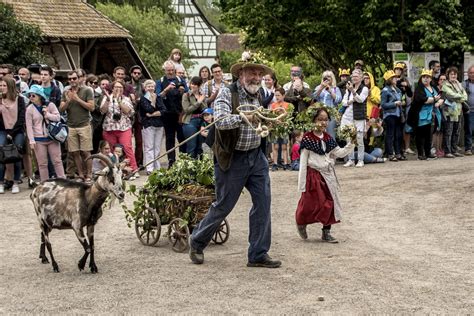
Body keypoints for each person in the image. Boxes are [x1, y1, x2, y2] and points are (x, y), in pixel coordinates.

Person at [189, 55, 281, 268]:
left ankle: (258, 253)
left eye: (259, 74)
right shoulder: (226, 93)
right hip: (233, 157)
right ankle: (197, 240)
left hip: (256, 157)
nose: (256, 77)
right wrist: (246, 117)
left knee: (263, 202)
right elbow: (221, 122)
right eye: (251, 73)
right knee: (224, 205)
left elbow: (262, 121)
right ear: (241, 74)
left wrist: (271, 122)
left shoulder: (259, 94)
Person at [295, 107, 355, 243]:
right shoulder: (308, 139)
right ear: (313, 120)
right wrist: (302, 184)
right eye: (319, 119)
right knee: (309, 204)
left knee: (330, 203)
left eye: (326, 120)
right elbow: (303, 162)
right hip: (313, 176)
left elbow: (339, 153)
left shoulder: (328, 138)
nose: (323, 123)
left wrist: (351, 143)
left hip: (327, 175)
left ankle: (326, 232)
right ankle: (301, 222)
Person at [59, 70, 94, 183]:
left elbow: (91, 107)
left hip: (84, 124)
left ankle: (89, 174)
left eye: (74, 78)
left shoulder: (87, 90)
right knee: (74, 152)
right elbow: (61, 109)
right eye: (70, 79)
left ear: (79, 78)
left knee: (86, 151)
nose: (72, 81)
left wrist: (77, 99)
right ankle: (80, 174)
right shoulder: (66, 91)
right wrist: (68, 100)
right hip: (71, 125)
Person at [25, 85, 65, 183]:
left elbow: (58, 117)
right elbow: (29, 126)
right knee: (42, 163)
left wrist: (47, 115)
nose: (31, 97)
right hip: (38, 139)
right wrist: (31, 140)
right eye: (29, 95)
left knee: (57, 161)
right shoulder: (30, 109)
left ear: (39, 96)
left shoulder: (50, 105)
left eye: (33, 95)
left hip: (52, 137)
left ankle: (63, 181)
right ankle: (45, 183)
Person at [100, 80, 138, 171]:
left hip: (124, 128)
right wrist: (109, 100)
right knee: (110, 150)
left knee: (127, 148)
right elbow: (102, 111)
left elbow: (129, 112)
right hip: (109, 128)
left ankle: (133, 168)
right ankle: (113, 169)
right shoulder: (106, 98)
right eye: (116, 87)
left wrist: (118, 101)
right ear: (112, 88)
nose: (118, 89)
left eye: (120, 87)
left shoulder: (126, 99)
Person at [156, 60, 187, 168]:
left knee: (182, 137)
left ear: (174, 70)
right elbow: (158, 96)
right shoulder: (160, 81)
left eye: (172, 70)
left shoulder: (180, 79)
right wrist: (167, 89)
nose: (170, 72)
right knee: (169, 139)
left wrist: (182, 91)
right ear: (164, 70)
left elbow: (187, 94)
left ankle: (184, 161)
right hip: (167, 114)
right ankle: (171, 162)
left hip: (179, 113)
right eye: (168, 70)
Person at [408, 69, 442, 160]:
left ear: (431, 79)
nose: (425, 79)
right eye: (424, 77)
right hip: (421, 115)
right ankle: (420, 154)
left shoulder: (433, 87)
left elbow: (441, 96)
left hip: (431, 115)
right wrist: (434, 99)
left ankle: (428, 153)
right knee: (420, 135)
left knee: (429, 135)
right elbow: (423, 100)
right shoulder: (419, 88)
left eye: (427, 77)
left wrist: (438, 102)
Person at [0, 78, 26, 194]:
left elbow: (21, 118)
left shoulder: (19, 99)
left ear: (10, 86)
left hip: (17, 130)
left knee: (16, 156)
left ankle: (16, 182)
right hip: (2, 130)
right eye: (0, 85)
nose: (1, 87)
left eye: (4, 85)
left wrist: (12, 133)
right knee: (1, 156)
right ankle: (1, 182)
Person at [341, 69, 369, 167]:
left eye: (356, 76)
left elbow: (360, 100)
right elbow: (344, 102)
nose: (354, 78)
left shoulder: (364, 89)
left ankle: (360, 160)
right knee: (349, 140)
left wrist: (353, 91)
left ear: (361, 78)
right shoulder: (348, 89)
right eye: (352, 76)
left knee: (359, 139)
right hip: (347, 117)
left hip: (359, 117)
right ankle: (351, 159)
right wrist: (351, 100)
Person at [140, 79, 166, 174]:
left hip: (159, 125)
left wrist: (152, 115)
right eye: (148, 86)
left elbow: (163, 110)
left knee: (157, 147)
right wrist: (153, 102)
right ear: (145, 88)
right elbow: (149, 109)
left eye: (152, 86)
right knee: (149, 147)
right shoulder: (143, 98)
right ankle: (149, 168)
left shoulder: (158, 97)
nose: (151, 88)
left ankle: (157, 166)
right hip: (148, 125)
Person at [442, 66, 468, 158]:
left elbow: (465, 96)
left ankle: (454, 150)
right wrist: (460, 97)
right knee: (449, 132)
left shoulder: (459, 84)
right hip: (449, 112)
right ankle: (447, 151)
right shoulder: (445, 85)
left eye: (455, 74)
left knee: (456, 131)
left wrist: (459, 97)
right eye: (451, 74)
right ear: (448, 75)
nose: (453, 76)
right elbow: (450, 95)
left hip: (458, 111)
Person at [381, 70, 404, 161]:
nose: (396, 78)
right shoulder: (385, 90)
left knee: (398, 134)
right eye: (393, 77)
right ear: (389, 79)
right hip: (389, 115)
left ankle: (398, 153)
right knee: (390, 134)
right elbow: (383, 105)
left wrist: (401, 103)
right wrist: (394, 104)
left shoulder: (398, 89)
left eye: (395, 77)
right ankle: (390, 153)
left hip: (398, 114)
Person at [182, 76, 206, 159]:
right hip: (190, 121)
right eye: (192, 84)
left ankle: (201, 169)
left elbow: (205, 109)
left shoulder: (202, 95)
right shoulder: (186, 95)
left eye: (195, 84)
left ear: (199, 85)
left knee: (200, 146)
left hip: (202, 121)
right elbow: (187, 110)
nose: (193, 86)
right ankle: (191, 169)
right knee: (192, 146)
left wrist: (201, 100)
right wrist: (198, 102)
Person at [312, 70, 342, 138]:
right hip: (319, 114)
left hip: (331, 114)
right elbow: (313, 97)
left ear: (332, 78)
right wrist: (321, 88)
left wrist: (330, 91)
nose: (327, 78)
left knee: (331, 134)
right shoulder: (318, 87)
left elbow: (339, 100)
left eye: (329, 77)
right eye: (325, 77)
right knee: (319, 134)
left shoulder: (335, 89)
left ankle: (332, 148)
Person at [394, 62, 414, 156]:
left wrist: (407, 86)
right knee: (397, 128)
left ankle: (407, 147)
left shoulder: (406, 80)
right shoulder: (391, 79)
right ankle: (398, 149)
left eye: (400, 69)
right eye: (397, 69)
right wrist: (399, 83)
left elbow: (410, 94)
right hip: (396, 107)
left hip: (406, 106)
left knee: (407, 127)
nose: (398, 71)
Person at [269, 87, 291, 171]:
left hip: (284, 127)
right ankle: (275, 163)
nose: (277, 97)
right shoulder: (273, 105)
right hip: (276, 128)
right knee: (275, 146)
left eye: (278, 95)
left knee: (284, 146)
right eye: (276, 95)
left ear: (283, 95)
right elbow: (271, 115)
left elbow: (289, 116)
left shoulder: (287, 105)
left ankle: (285, 163)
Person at [433, 74, 447, 157]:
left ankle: (440, 148)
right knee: (436, 131)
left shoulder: (445, 90)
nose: (442, 81)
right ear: (438, 81)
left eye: (444, 79)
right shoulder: (435, 89)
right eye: (441, 79)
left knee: (441, 131)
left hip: (443, 112)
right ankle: (435, 149)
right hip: (435, 111)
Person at [462, 65, 474, 155]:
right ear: (468, 74)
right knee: (469, 129)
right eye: (471, 73)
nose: (472, 74)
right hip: (469, 111)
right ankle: (468, 148)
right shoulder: (464, 84)